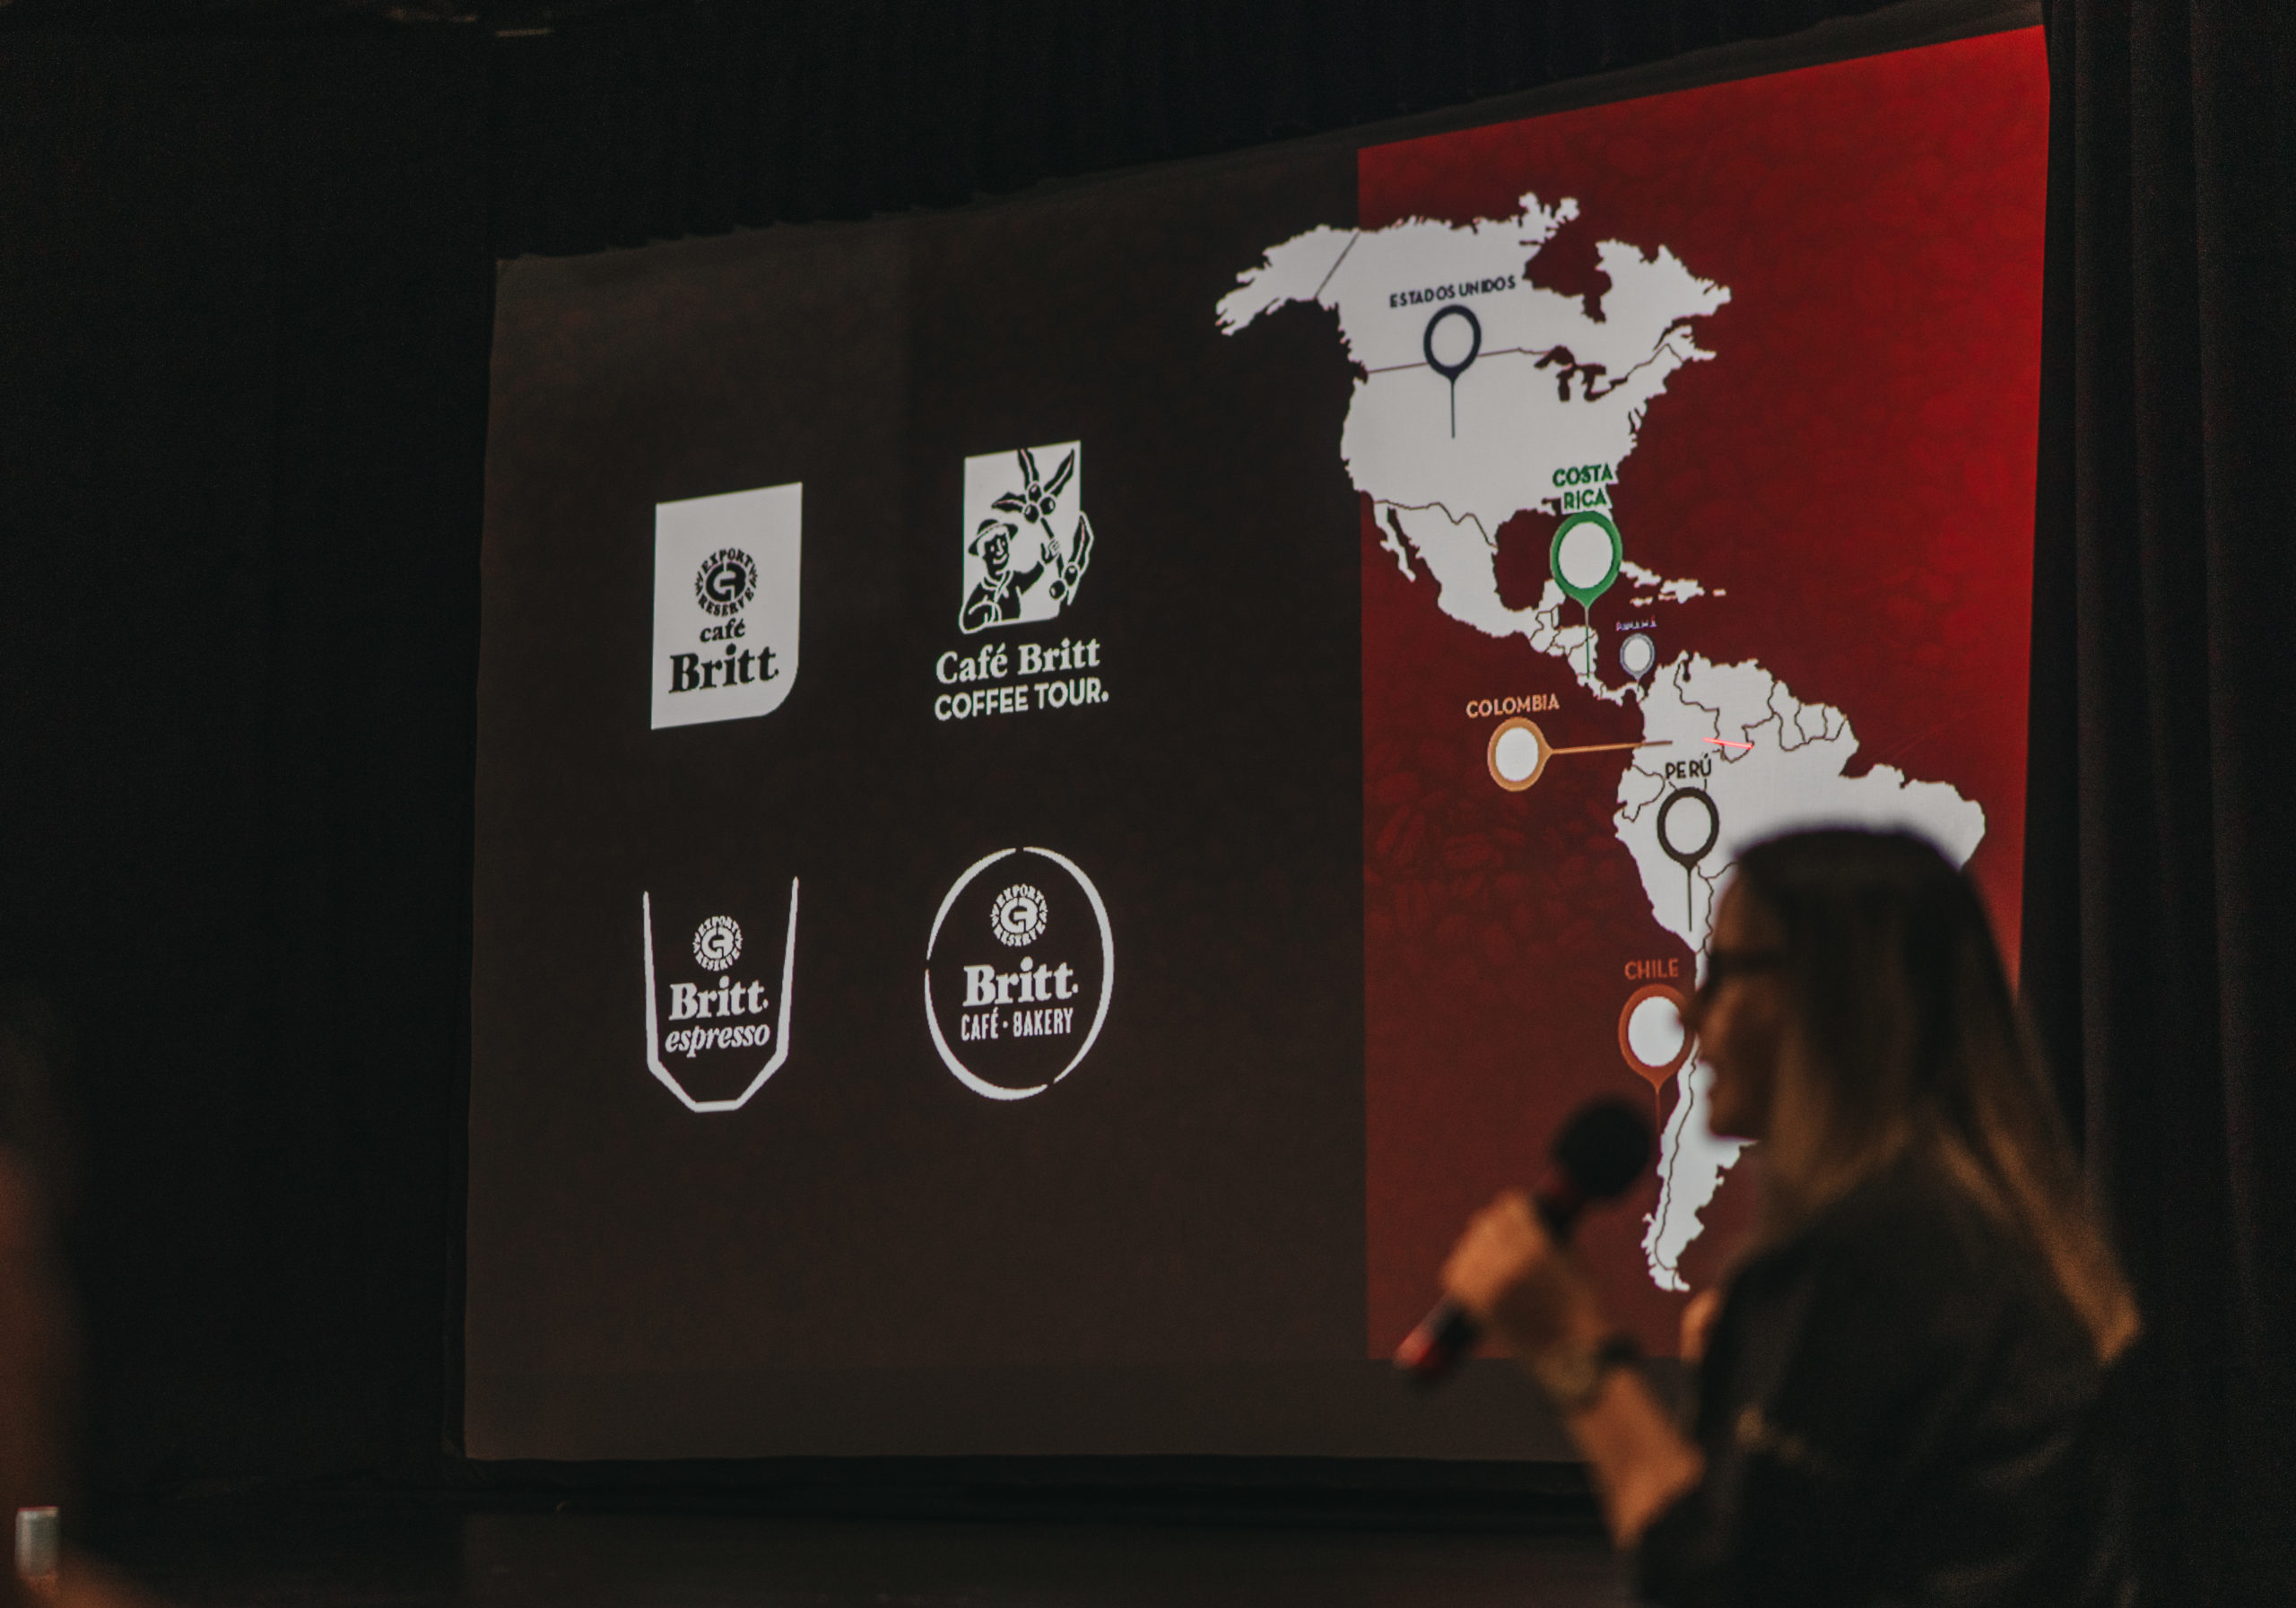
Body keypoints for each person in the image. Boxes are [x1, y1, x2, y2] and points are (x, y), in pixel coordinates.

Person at [1439, 829, 2141, 1607]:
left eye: (1725, 970)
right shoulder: (1976, 1240)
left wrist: (1569, 1344)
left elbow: (1712, 1591)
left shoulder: (1873, 1265)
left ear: (1832, 1000)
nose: (1688, 1012)